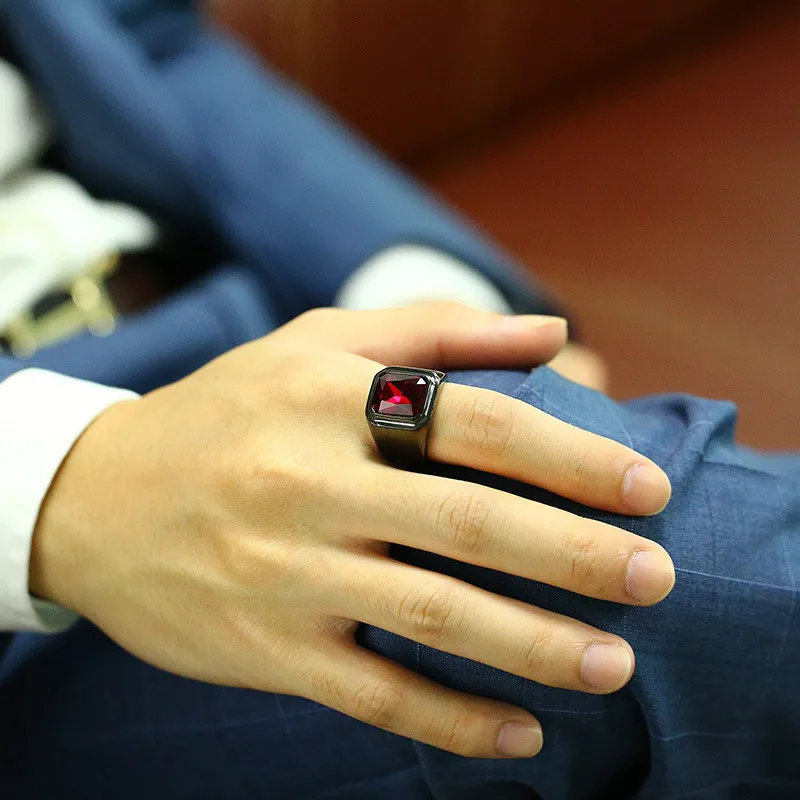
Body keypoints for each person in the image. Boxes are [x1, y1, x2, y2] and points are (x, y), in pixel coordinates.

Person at [0, 2, 796, 798]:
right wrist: (57, 489)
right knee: (619, 560)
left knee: (527, 476)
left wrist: (419, 297)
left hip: (258, 330)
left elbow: (151, 40)